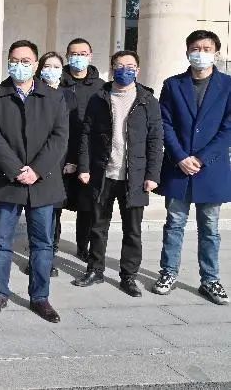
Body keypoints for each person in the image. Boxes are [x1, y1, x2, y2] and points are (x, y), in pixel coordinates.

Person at [0, 40, 68, 323]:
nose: (20, 65)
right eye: (15, 60)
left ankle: (40, 297)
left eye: (26, 61)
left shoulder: (54, 97)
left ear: (36, 64)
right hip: (7, 181)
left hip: (43, 182)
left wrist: (37, 170)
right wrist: (16, 169)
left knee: (42, 243)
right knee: (1, 241)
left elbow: (60, 137)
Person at [73, 50, 162, 297]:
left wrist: (152, 175)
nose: (125, 70)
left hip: (135, 176)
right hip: (103, 173)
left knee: (132, 230)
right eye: (120, 65)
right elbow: (86, 135)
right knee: (97, 226)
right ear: (112, 68)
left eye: (130, 66)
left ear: (138, 70)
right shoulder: (99, 98)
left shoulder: (147, 100)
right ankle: (95, 270)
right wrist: (84, 167)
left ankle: (128, 276)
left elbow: (156, 139)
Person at [152, 30, 231, 305]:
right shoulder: (173, 85)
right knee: (174, 223)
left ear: (216, 53)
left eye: (207, 49)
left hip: (211, 168)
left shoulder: (227, 85)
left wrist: (201, 158)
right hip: (179, 166)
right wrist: (180, 156)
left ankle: (210, 279)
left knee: (209, 227)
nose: (201, 53)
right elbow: (165, 123)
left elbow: (228, 128)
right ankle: (168, 272)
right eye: (195, 48)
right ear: (187, 52)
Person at [24, 52, 79, 278]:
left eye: (56, 66)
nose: (51, 70)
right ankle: (34, 258)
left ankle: (49, 256)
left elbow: (73, 132)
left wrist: (72, 159)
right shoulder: (31, 92)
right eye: (47, 66)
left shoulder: (69, 95)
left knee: (54, 213)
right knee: (36, 215)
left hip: (60, 162)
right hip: (34, 162)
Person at [60, 38, 106, 261]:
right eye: (74, 54)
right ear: (67, 56)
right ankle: (49, 247)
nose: (78, 58)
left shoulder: (101, 86)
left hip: (88, 155)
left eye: (83, 53)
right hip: (60, 155)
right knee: (54, 205)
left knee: (87, 206)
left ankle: (82, 246)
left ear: (90, 56)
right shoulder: (57, 82)